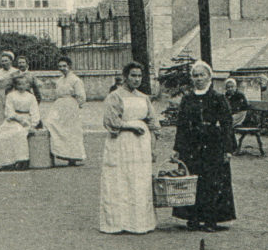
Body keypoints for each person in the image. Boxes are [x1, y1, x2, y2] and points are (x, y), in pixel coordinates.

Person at [172, 61, 236, 233]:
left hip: (213, 144)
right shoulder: (187, 99)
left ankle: (210, 219)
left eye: (202, 75)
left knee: (211, 182)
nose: (199, 79)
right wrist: (178, 148)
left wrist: (228, 149)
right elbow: (182, 124)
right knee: (192, 179)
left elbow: (227, 124)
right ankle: (192, 218)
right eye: (195, 75)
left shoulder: (218, 98)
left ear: (209, 77)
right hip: (191, 145)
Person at [98, 62, 159, 234]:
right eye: (133, 75)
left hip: (141, 145)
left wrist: (153, 146)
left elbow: (153, 121)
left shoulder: (143, 97)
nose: (136, 79)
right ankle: (118, 222)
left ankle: (140, 223)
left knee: (139, 180)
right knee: (120, 179)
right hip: (121, 143)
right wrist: (129, 127)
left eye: (139, 76)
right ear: (125, 77)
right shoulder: (115, 96)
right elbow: (110, 120)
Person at [0, 74, 41, 170]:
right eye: (19, 84)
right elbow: (9, 111)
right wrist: (18, 119)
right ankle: (7, 162)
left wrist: (33, 124)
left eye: (24, 84)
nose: (21, 86)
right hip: (13, 119)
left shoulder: (31, 97)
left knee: (19, 133)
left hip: (27, 120)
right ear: (15, 85)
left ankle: (22, 160)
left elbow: (35, 111)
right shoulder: (11, 96)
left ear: (27, 85)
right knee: (3, 134)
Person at [46, 56, 86, 165]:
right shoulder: (59, 80)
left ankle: (73, 157)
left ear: (69, 66)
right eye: (60, 66)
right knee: (52, 124)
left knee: (71, 131)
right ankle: (61, 153)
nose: (62, 68)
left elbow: (81, 96)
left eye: (64, 66)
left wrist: (75, 106)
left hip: (71, 106)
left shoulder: (75, 80)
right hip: (59, 106)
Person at [0, 51, 22, 139]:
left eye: (6, 60)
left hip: (14, 95)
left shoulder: (17, 72)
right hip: (1, 96)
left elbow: (21, 84)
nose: (4, 63)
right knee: (1, 116)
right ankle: (1, 137)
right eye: (2, 61)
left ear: (11, 61)